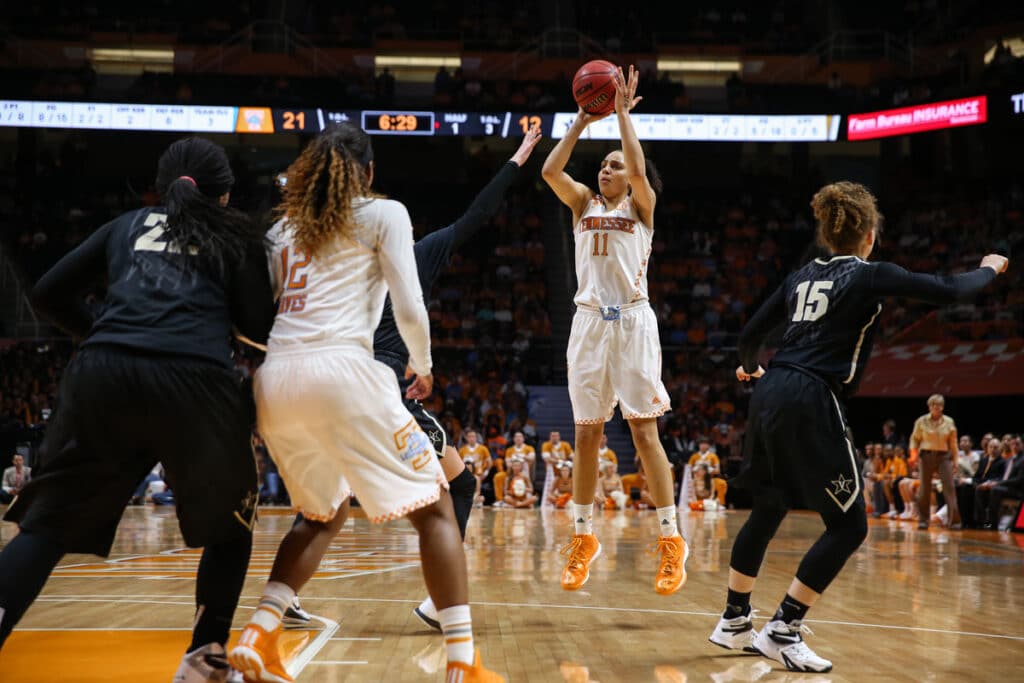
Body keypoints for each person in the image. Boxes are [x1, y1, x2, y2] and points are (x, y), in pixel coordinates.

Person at [227, 123, 502, 682]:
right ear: (369, 172)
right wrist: (422, 363)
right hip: (345, 373)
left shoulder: (281, 229)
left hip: (275, 381)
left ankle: (259, 633)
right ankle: (460, 662)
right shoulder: (384, 213)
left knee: (320, 514)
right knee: (437, 508)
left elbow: (257, 317)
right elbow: (408, 303)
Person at [0, 137, 275, 683]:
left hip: (103, 372)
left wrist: (102, 334)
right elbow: (259, 330)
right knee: (231, 526)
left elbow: (48, 292)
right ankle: (205, 661)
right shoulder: (235, 232)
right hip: (195, 379)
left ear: (163, 185)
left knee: (46, 527)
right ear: (223, 196)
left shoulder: (126, 225)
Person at [707, 180, 1008, 673]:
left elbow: (748, 337)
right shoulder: (869, 275)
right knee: (849, 526)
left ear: (828, 234)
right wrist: (988, 268)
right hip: (809, 393)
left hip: (770, 390)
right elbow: (951, 291)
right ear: (868, 234)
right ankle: (783, 629)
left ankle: (734, 618)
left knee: (768, 506)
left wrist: (752, 368)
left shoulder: (800, 275)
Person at [541, 64, 686, 595]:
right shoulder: (582, 204)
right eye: (602, 164)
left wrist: (623, 116)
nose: (606, 169)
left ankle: (672, 541)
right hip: (587, 325)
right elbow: (551, 173)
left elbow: (642, 172)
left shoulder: (642, 208)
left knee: (644, 432)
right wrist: (581, 121)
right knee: (586, 434)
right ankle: (583, 538)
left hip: (632, 323)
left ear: (631, 177)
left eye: (615, 165)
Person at [909, 395, 961, 530]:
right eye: (933, 405)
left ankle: (954, 521)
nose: (936, 407)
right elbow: (914, 439)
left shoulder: (949, 422)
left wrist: (955, 461)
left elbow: (953, 443)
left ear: (942, 407)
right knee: (924, 489)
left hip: (943, 456)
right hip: (926, 455)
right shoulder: (921, 421)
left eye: (938, 404)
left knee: (949, 487)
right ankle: (923, 520)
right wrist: (913, 456)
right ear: (929, 406)